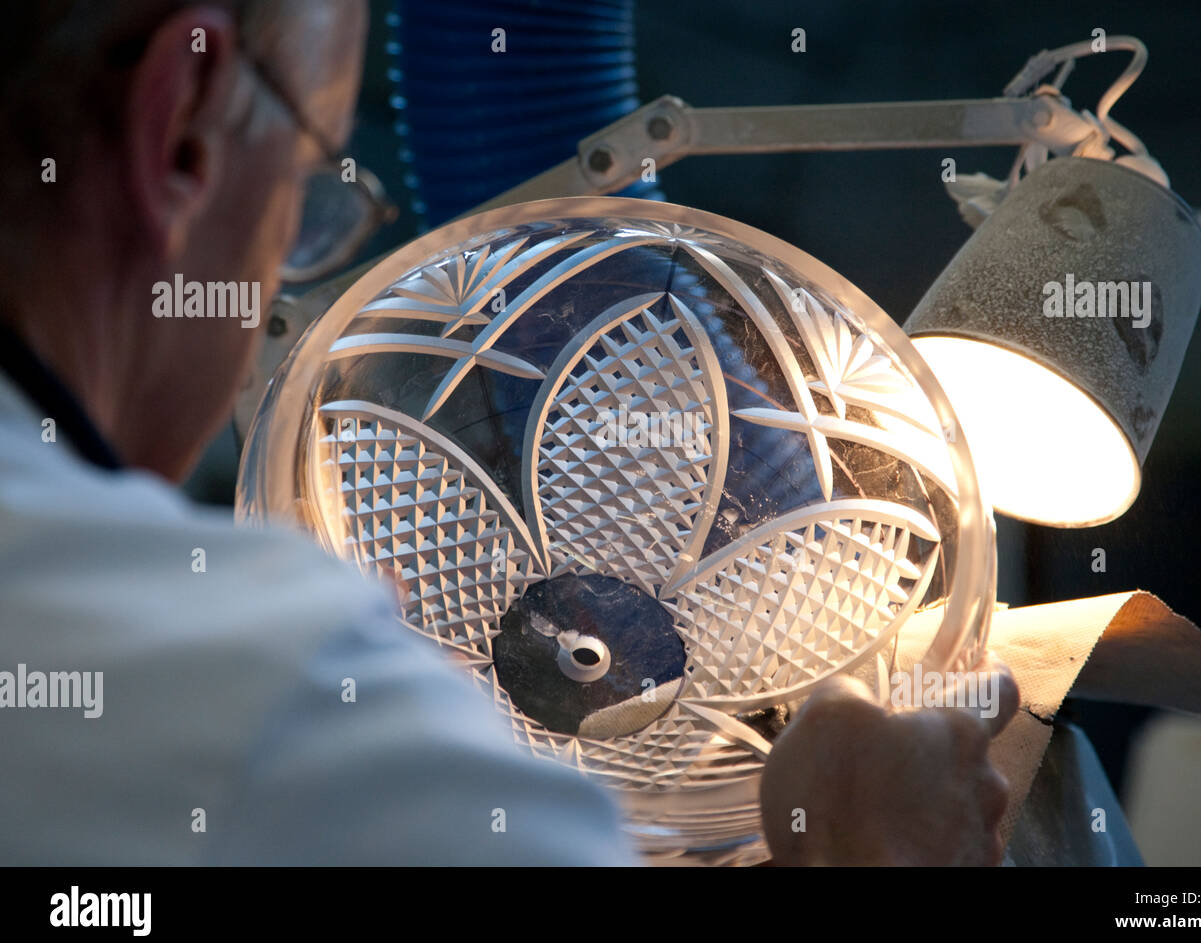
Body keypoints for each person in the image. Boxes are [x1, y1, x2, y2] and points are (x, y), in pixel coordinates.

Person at [0, 0, 1015, 866]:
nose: (275, 276)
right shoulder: (260, 696)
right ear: (179, 127)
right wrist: (880, 842)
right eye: (305, 199)